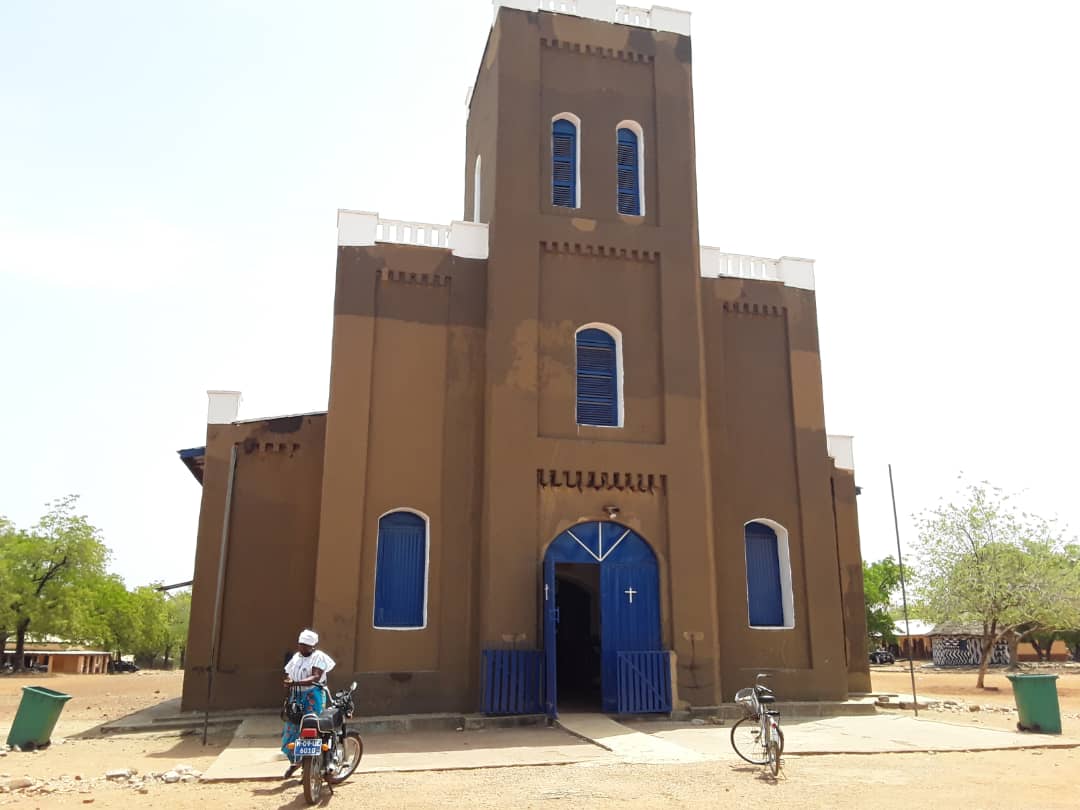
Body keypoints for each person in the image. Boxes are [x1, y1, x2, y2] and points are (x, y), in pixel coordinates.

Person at [281, 628, 336, 777]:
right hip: (296, 697)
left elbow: (315, 677)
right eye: (300, 644)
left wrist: (295, 683)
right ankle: (295, 762)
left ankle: (309, 766)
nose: (302, 647)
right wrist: (288, 691)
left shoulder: (318, 657)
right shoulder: (296, 658)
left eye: (305, 645)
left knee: (311, 728)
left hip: (313, 696)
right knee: (291, 729)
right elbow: (288, 675)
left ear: (312, 646)